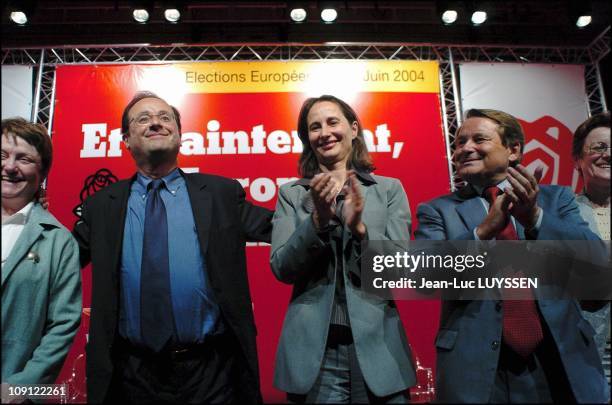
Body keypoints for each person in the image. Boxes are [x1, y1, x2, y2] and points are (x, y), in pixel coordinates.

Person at [73, 91, 273, 403]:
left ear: (179, 134)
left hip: (211, 373)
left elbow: (279, 229)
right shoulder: (102, 206)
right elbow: (61, 260)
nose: (156, 123)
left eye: (165, 118)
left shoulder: (220, 194)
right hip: (131, 375)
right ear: (126, 138)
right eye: (144, 119)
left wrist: (321, 212)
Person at [414, 108, 608, 403]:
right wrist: (481, 233)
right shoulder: (438, 210)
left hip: (559, 360)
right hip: (478, 371)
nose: (465, 148)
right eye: (458, 142)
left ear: (513, 149)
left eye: (479, 139)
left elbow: (596, 269)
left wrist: (535, 219)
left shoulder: (557, 200)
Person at [270, 95, 416, 403]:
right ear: (307, 139)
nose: (324, 132)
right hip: (314, 355)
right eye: (314, 127)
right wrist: (317, 223)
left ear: (353, 129)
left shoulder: (389, 190)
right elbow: (282, 267)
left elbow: (398, 270)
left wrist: (360, 230)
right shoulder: (291, 194)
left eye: (332, 122)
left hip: (379, 348)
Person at [1, 118, 82, 402]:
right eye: (3, 155)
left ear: (41, 172)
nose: (10, 166)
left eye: (24, 158)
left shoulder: (59, 240)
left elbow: (63, 324)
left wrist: (22, 388)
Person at [572, 111, 610, 387]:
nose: (608, 154)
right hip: (587, 347)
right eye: (599, 147)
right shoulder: (561, 214)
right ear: (578, 160)